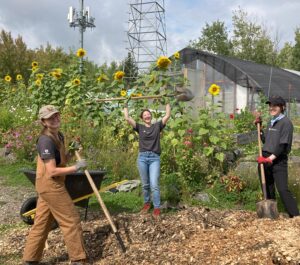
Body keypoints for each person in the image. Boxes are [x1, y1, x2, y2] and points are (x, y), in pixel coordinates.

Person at [23, 105, 87, 265]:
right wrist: (76, 168)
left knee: (42, 223)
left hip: (49, 185)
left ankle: (30, 260)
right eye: (51, 117)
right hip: (51, 185)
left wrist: (72, 151)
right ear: (43, 121)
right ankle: (78, 259)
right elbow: (51, 171)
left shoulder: (59, 135)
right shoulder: (45, 141)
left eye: (57, 115)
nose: (55, 119)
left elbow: (61, 160)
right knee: (71, 220)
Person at [124, 101, 171, 218]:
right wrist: (125, 104)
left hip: (154, 158)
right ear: (142, 118)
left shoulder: (157, 126)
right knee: (145, 184)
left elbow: (167, 115)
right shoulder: (139, 127)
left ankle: (156, 207)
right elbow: (127, 118)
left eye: (148, 114)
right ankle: (146, 204)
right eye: (144, 115)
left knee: (154, 184)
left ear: (151, 116)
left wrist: (166, 101)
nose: (147, 116)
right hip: (143, 158)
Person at [255, 95, 299, 218]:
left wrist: (270, 159)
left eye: (275, 105)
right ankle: (271, 215)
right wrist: (260, 129)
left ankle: (296, 216)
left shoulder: (286, 123)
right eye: (270, 105)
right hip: (264, 158)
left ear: (282, 107)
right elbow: (266, 141)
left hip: (278, 160)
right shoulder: (271, 121)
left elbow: (282, 146)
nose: (272, 108)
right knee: (268, 189)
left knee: (283, 189)